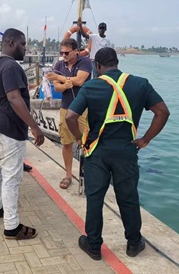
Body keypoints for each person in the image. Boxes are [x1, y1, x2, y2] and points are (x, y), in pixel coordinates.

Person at [65, 47, 170, 260]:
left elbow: (70, 116)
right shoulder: (141, 84)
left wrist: (79, 138)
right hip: (127, 151)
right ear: (116, 63)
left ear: (98, 66)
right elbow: (163, 112)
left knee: (94, 197)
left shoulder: (91, 86)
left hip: (97, 152)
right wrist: (146, 139)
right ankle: (133, 243)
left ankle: (93, 244)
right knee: (128, 198)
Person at [0, 28, 44, 240]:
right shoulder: (10, 66)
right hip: (9, 129)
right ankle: (11, 226)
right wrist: (34, 127)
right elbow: (14, 97)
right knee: (11, 177)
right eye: (23, 44)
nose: (25, 48)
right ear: (11, 42)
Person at [45, 38, 92, 189]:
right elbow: (57, 88)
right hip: (66, 107)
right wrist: (65, 84)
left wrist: (59, 78)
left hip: (83, 109)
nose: (63, 55)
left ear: (76, 51)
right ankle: (68, 174)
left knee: (86, 142)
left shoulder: (85, 62)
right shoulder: (59, 64)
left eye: (66, 52)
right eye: (62, 52)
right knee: (66, 143)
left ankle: (88, 174)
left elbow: (79, 81)